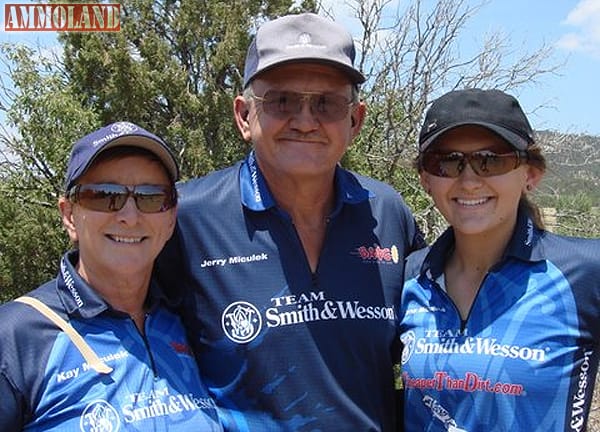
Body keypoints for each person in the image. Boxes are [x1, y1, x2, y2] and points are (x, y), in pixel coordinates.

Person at [156, 12, 425, 431]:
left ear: (355, 121)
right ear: (244, 116)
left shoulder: (387, 213)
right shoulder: (187, 218)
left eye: (327, 103)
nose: (304, 120)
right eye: (281, 101)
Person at [398, 88, 600, 431]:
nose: (469, 180)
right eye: (446, 161)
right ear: (426, 179)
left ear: (530, 174)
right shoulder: (408, 277)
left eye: (492, 160)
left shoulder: (582, 271)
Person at [0, 122, 223, 431]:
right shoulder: (16, 336)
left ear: (171, 218)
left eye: (150, 197)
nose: (129, 217)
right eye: (104, 195)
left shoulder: (190, 320)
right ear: (69, 216)